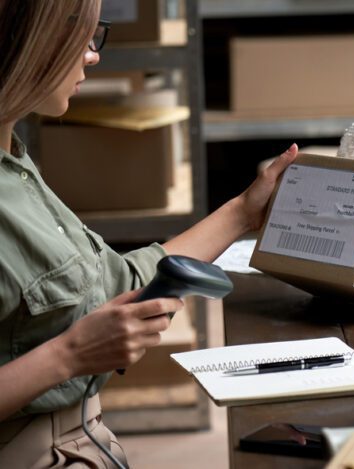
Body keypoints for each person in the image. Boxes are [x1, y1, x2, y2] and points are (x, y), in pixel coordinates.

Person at [0, 1, 298, 466]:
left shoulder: (14, 163)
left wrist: (244, 212)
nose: (92, 53)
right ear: (20, 38)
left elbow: (116, 282)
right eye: (76, 32)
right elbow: (75, 339)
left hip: (82, 439)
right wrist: (70, 354)